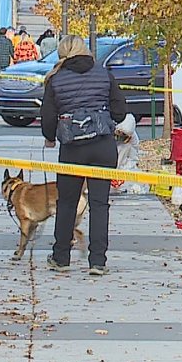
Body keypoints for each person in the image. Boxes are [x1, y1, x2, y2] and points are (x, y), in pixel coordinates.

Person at [41, 35, 128, 275]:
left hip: (72, 148)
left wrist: (50, 136)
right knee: (100, 204)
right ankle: (98, 261)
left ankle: (60, 257)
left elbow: (48, 119)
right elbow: (120, 111)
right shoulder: (103, 74)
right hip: (102, 145)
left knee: (67, 203)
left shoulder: (56, 79)